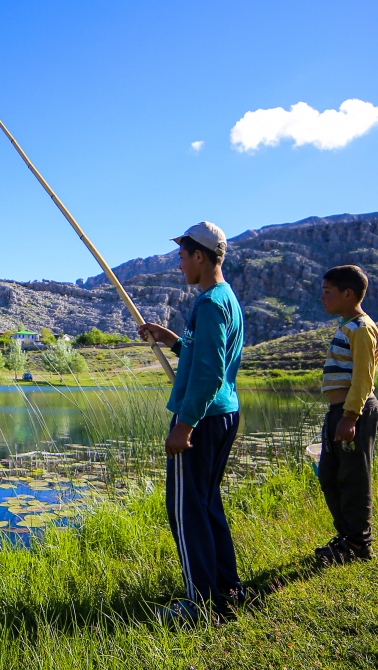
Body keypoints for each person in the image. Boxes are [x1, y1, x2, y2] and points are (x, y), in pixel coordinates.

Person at [138, 221, 245, 620]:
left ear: (200, 256)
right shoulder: (225, 299)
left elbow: (209, 372)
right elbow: (204, 355)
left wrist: (184, 425)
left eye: (183, 256)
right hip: (222, 413)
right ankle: (227, 589)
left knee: (186, 511)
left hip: (202, 419)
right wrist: (172, 340)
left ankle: (200, 604)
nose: (179, 264)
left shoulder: (210, 304)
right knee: (206, 504)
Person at [314, 265, 378, 564]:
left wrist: (350, 416)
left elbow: (363, 379)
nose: (322, 297)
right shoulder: (347, 326)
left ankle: (358, 545)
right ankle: (346, 538)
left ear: (348, 294)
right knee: (330, 476)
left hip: (354, 412)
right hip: (339, 412)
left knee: (354, 478)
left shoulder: (362, 328)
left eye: (327, 292)